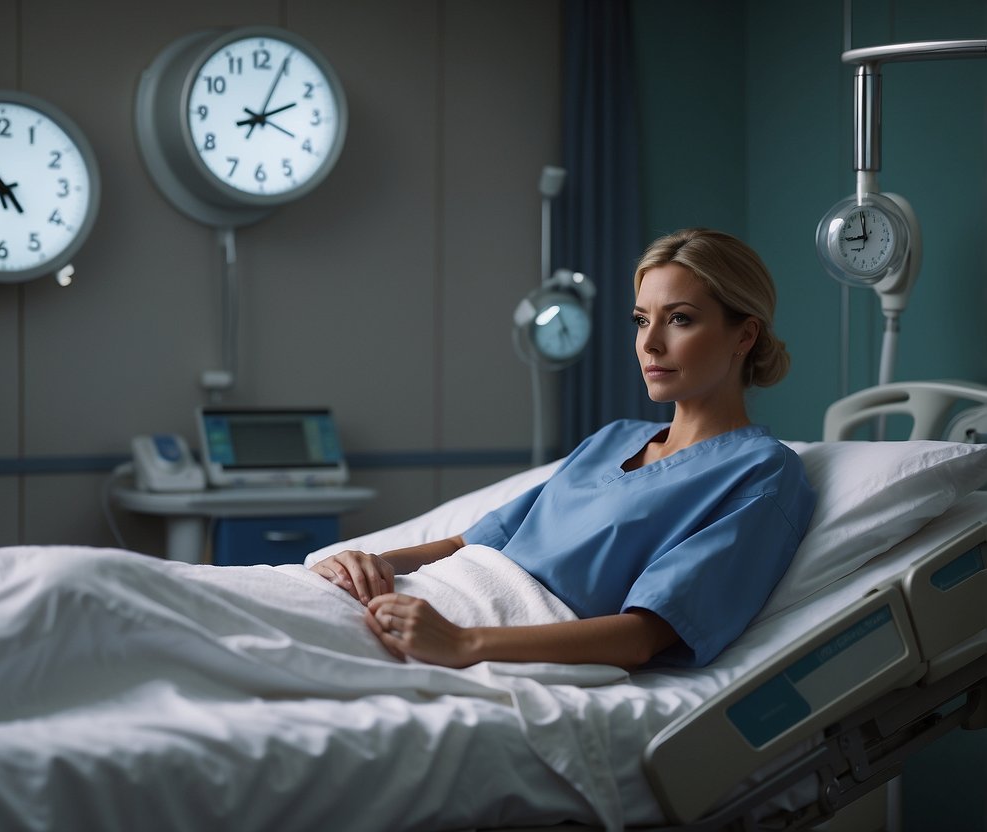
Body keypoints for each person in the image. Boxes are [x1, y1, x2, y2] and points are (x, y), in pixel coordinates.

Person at [310, 228, 816, 671]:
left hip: (489, 628)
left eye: (679, 319)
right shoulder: (613, 439)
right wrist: (369, 563)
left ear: (744, 335)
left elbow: (643, 636)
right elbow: (471, 543)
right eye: (641, 320)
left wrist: (464, 642)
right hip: (426, 595)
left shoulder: (762, 474)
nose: (650, 344)